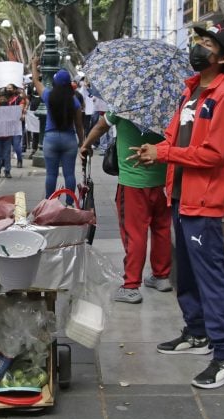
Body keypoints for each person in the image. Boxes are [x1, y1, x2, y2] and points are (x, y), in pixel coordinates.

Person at [129, 21, 224, 389]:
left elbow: (213, 153)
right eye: (198, 40)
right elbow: (178, 135)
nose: (198, 47)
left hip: (204, 202)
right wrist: (156, 148)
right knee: (187, 275)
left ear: (223, 57)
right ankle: (197, 333)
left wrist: (163, 152)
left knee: (210, 279)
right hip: (179, 196)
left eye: (208, 43)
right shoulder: (192, 91)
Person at [80, 114, 171, 304]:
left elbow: (100, 127)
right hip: (163, 180)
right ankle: (161, 277)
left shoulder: (123, 103)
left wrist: (86, 144)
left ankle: (131, 286)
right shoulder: (167, 104)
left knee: (134, 233)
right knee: (161, 229)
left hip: (133, 182)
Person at [30, 58, 84, 205]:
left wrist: (34, 65)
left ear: (54, 83)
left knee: (51, 174)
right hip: (69, 139)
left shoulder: (48, 96)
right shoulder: (75, 101)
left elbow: (36, 80)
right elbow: (79, 126)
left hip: (51, 139)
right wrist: (83, 145)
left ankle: (49, 203)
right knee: (69, 174)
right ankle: (69, 203)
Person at [0, 90, 13, 178]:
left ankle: (7, 171)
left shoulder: (11, 109)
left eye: (4, 99)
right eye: (1, 99)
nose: (2, 101)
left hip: (7, 135)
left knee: (7, 154)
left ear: (7, 100)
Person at [5, 83, 26, 168]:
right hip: (6, 125)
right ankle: (6, 162)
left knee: (16, 144)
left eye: (10, 88)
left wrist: (21, 114)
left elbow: (20, 108)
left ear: (14, 89)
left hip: (16, 125)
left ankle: (19, 160)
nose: (8, 90)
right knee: (6, 145)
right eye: (7, 88)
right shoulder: (4, 99)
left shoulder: (19, 99)